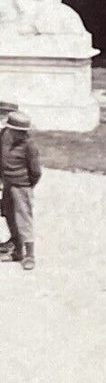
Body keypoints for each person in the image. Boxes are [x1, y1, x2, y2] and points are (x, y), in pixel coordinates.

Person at [1, 110, 42, 271]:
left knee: (24, 218)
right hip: (8, 184)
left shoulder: (29, 146)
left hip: (22, 186)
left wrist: (27, 186)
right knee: (9, 214)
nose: (20, 134)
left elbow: (36, 172)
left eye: (22, 132)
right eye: (16, 131)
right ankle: (17, 250)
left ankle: (30, 255)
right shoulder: (5, 137)